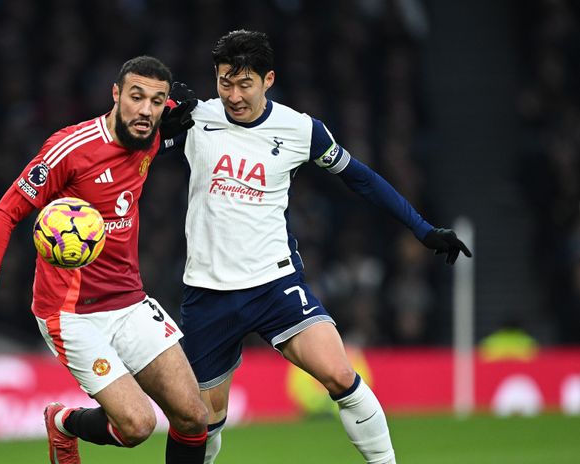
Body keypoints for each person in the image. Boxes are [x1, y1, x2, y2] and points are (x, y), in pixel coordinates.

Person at [167, 30, 472, 464]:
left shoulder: (301, 130)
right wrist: (157, 126)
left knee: (341, 374)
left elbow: (361, 178)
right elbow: (130, 150)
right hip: (208, 292)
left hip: (274, 285)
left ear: (268, 79)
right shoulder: (196, 118)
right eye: (224, 82)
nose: (233, 95)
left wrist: (422, 229)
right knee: (200, 418)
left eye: (245, 84)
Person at [0, 56, 208, 464]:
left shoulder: (150, 133)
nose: (146, 110)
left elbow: (173, 121)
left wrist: (179, 110)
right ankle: (63, 423)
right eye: (137, 97)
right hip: (70, 312)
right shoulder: (70, 149)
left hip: (129, 300)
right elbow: (5, 214)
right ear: (116, 94)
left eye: (157, 101)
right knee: (137, 426)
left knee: (194, 417)